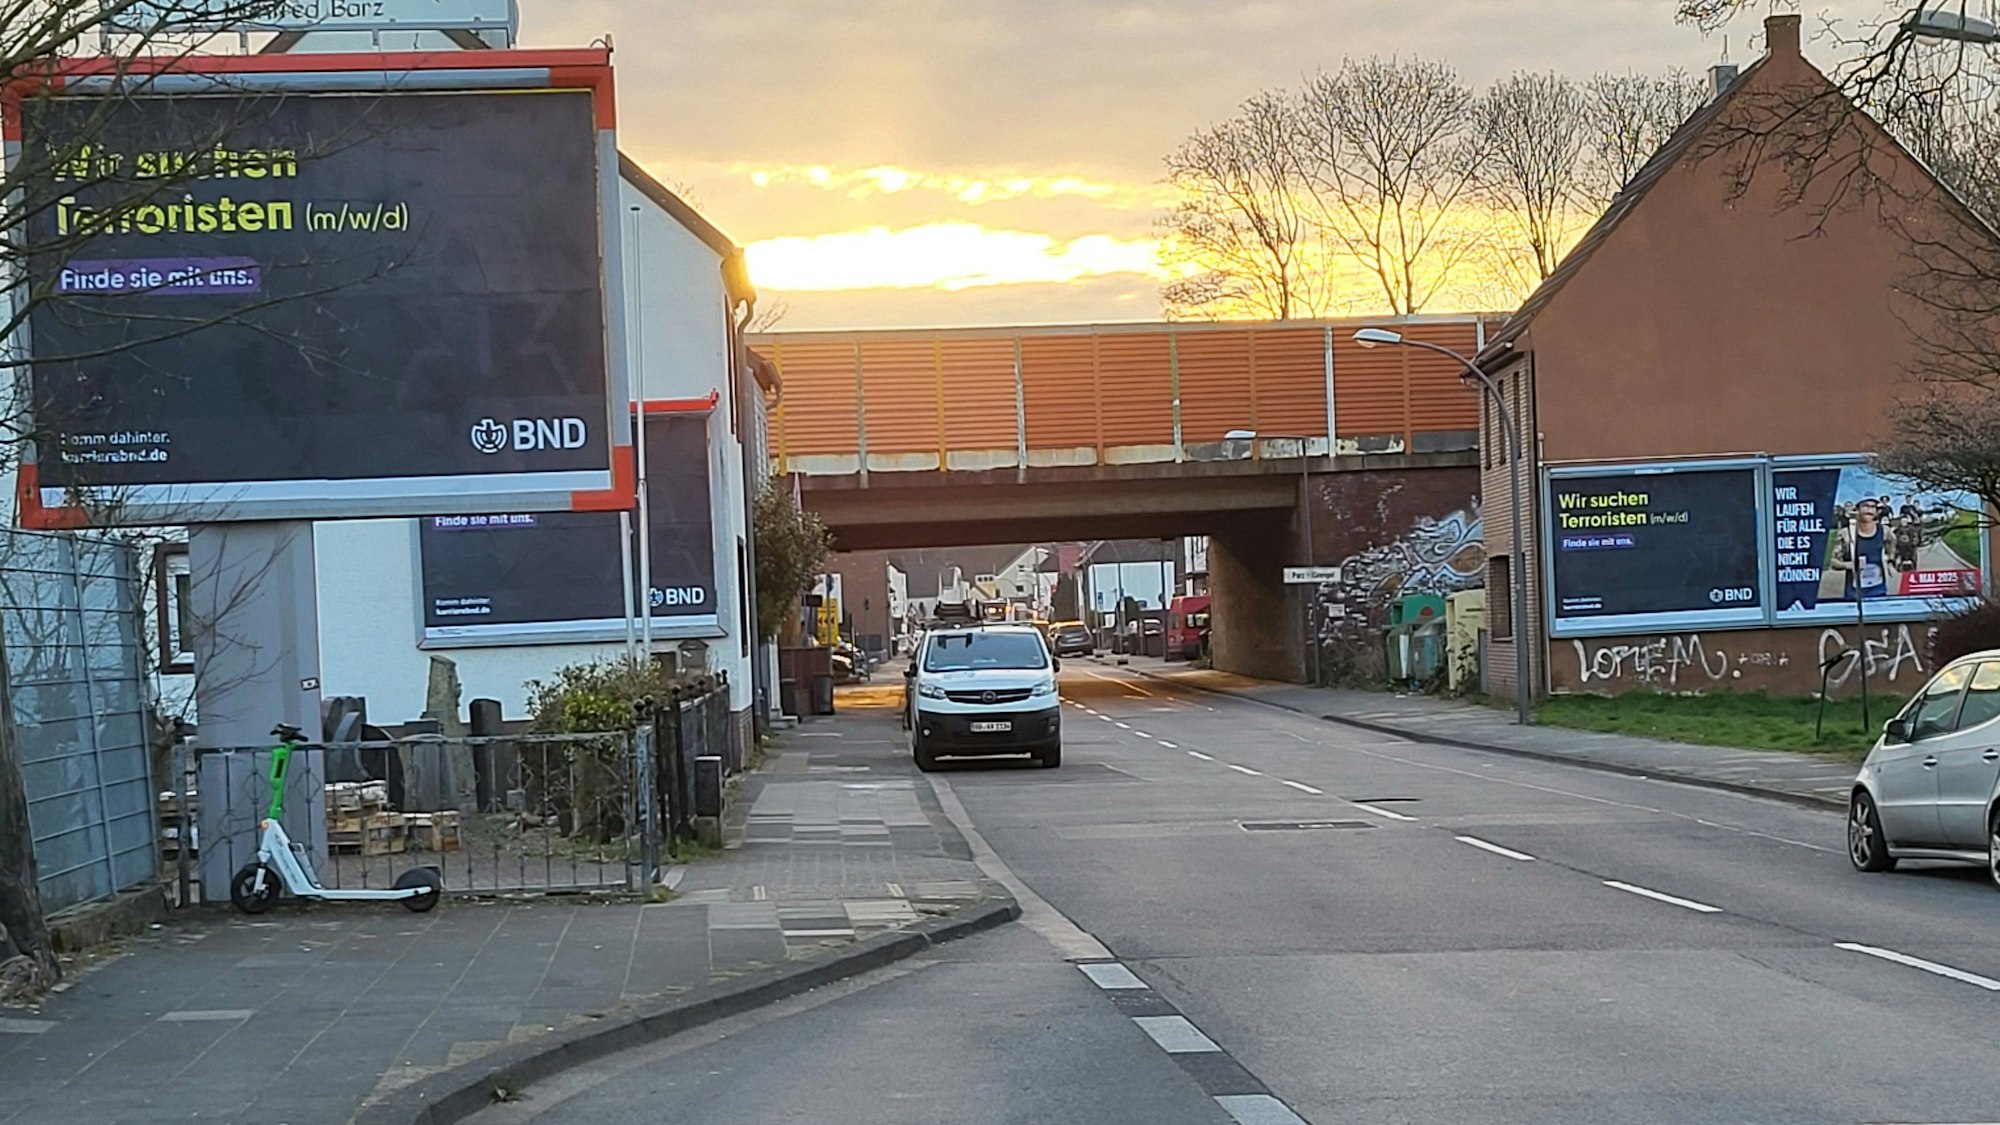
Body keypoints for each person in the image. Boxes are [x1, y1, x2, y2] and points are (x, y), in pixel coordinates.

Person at [1831, 497, 1892, 600]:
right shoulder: (1846, 534)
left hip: (1879, 591)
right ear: (1857, 509)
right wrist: (1849, 565)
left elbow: (1893, 551)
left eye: (1873, 507)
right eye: (1865, 506)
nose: (1869, 510)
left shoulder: (1885, 532)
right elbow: (1833, 561)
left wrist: (1889, 560)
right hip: (1854, 594)